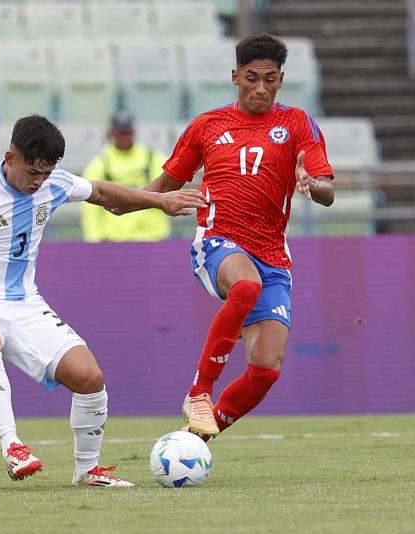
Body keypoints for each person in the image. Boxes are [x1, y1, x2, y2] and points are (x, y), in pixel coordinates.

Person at [0, 115, 206, 486]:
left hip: (26, 304)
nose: (38, 182)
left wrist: (159, 200)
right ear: (10, 157)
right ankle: (12, 446)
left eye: (46, 174)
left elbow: (102, 194)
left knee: (90, 378)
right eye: (32, 172)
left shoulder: (53, 184)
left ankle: (87, 472)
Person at [140, 34, 335, 438]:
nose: (260, 88)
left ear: (281, 79)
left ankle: (193, 442)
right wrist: (121, 200)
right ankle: (199, 392)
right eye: (251, 78)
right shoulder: (208, 126)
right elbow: (166, 182)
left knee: (265, 370)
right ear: (235, 77)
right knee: (245, 286)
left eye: (270, 79)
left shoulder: (297, 122)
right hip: (217, 242)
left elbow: (328, 192)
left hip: (274, 256)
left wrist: (312, 185)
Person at [81, 111, 170, 242]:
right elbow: (91, 209)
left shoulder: (154, 160)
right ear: (111, 134)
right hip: (114, 240)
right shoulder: (99, 165)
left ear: (134, 133)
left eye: (126, 133)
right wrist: (93, 240)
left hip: (152, 238)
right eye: (119, 133)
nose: (123, 137)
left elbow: (168, 190)